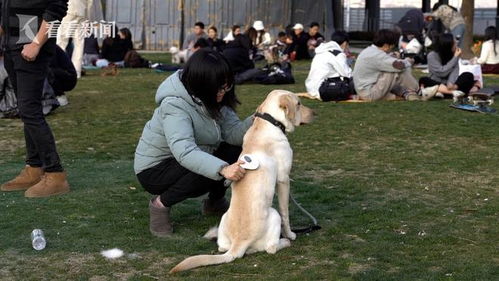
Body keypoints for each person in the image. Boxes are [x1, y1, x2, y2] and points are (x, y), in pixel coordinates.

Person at [134, 48, 254, 237]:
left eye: (227, 87)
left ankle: (214, 201)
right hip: (155, 170)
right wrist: (223, 169)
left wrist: (258, 119)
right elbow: (185, 151)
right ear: (202, 83)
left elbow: (233, 134)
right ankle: (160, 205)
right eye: (219, 88)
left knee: (234, 150)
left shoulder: (214, 97)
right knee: (209, 167)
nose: (223, 93)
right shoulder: (174, 105)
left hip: (189, 156)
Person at [0, 0, 70, 197]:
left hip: (31, 43)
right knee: (26, 109)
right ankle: (34, 167)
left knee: (29, 110)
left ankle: (55, 174)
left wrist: (36, 43)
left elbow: (57, 8)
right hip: (12, 46)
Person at [352, 29, 433, 102]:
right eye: (392, 46)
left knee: (392, 72)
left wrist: (393, 56)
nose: (392, 48)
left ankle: (408, 93)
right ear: (386, 46)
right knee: (396, 71)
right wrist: (411, 61)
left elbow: (381, 61)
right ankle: (420, 91)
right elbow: (399, 66)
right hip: (370, 94)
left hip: (365, 91)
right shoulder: (378, 56)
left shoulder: (369, 51)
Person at [419, 33, 476, 98]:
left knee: (468, 75)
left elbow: (455, 71)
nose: (456, 45)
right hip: (436, 82)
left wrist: (451, 85)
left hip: (450, 85)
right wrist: (455, 57)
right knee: (423, 80)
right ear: (448, 46)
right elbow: (441, 72)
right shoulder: (432, 55)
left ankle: (441, 92)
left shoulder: (454, 55)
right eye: (454, 43)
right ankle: (453, 93)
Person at [305, 31, 353, 101]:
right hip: (323, 89)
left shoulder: (322, 51)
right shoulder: (337, 54)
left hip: (311, 88)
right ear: (345, 43)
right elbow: (347, 74)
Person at [57, 0, 91, 78]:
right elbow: (90, 3)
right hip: (82, 11)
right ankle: (76, 71)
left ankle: (59, 68)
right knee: (79, 43)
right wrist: (88, 19)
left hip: (69, 10)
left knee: (61, 41)